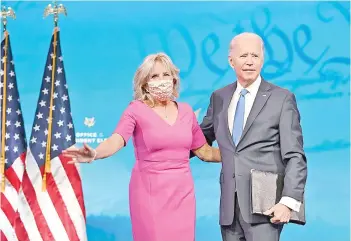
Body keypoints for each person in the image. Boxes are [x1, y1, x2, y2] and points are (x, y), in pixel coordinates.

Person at [63, 52, 221, 241]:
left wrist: (239, 153)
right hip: (149, 193)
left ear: (174, 79)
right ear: (145, 83)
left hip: (183, 194)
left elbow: (204, 152)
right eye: (154, 76)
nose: (161, 80)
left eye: (166, 74)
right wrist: (95, 153)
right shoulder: (135, 110)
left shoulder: (186, 111)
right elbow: (117, 139)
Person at [198, 32, 307, 241]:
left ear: (262, 60)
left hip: (266, 208)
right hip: (229, 211)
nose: (249, 62)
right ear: (231, 61)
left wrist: (288, 201)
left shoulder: (282, 99)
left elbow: (295, 156)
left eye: (255, 56)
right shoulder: (219, 97)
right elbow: (200, 139)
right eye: (244, 56)